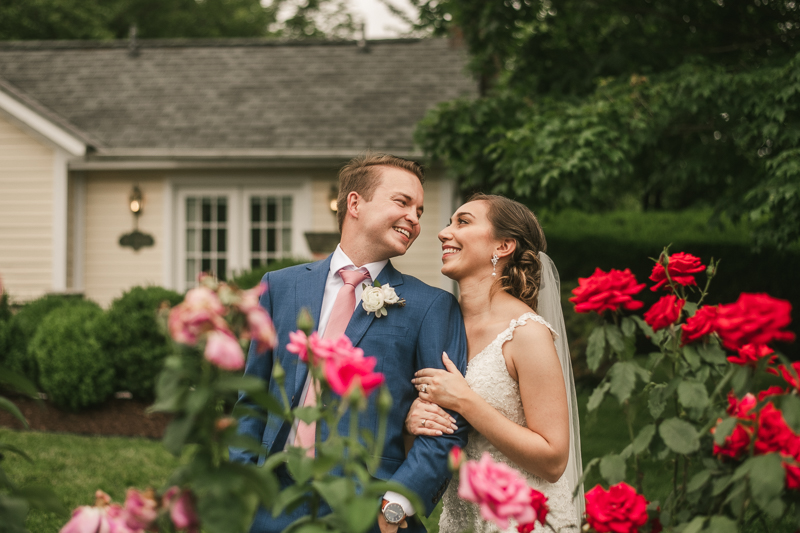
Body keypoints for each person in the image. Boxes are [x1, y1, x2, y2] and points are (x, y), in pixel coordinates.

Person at [230, 153, 469, 533]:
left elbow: (447, 424)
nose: (415, 218)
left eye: (420, 211)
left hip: (369, 511)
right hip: (271, 506)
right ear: (355, 203)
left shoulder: (432, 306)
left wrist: (397, 504)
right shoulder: (280, 286)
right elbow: (254, 397)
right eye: (402, 202)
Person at [406, 194, 583, 533]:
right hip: (461, 519)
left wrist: (465, 401)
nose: (444, 233)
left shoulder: (526, 333)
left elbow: (554, 459)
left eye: (463, 221)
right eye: (448, 223)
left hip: (522, 521)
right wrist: (411, 423)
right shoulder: (440, 327)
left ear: (502, 245)